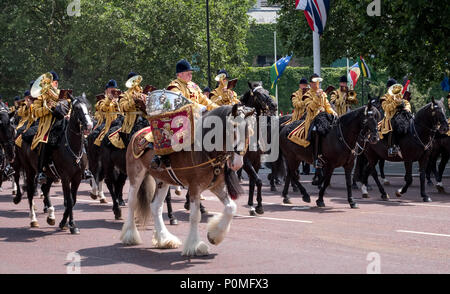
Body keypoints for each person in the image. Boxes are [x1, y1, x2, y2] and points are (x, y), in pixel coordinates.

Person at [31, 71, 60, 184]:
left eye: (51, 83)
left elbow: (69, 105)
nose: (49, 85)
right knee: (44, 140)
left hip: (61, 122)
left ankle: (84, 169)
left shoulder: (61, 94)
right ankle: (41, 171)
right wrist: (47, 108)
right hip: (46, 125)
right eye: (47, 83)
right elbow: (35, 112)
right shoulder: (40, 98)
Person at [303, 74, 337, 168]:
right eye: (314, 82)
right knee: (315, 130)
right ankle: (316, 158)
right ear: (310, 83)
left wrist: (333, 113)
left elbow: (327, 106)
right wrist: (317, 97)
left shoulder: (323, 94)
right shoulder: (307, 95)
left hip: (324, 117)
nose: (316, 84)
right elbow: (310, 108)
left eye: (317, 82)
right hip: (312, 118)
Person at [379, 79, 411, 156]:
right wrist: (395, 103)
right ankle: (392, 147)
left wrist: (407, 108)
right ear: (388, 88)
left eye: (394, 87)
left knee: (412, 123)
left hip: (402, 115)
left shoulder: (400, 94)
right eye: (391, 87)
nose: (393, 88)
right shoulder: (384, 97)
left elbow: (407, 103)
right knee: (394, 125)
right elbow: (386, 108)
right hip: (390, 117)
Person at [119, 72, 147, 146]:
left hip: (145, 119)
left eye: (136, 80)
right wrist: (133, 101)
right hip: (131, 122)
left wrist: (145, 99)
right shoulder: (124, 95)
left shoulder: (143, 92)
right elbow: (123, 108)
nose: (135, 83)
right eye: (133, 80)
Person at [94, 80, 122, 146]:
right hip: (106, 123)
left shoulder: (119, 100)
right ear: (106, 91)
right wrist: (109, 100)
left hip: (119, 122)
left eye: (114, 89)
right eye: (111, 89)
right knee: (100, 137)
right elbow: (103, 109)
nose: (113, 90)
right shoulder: (102, 100)